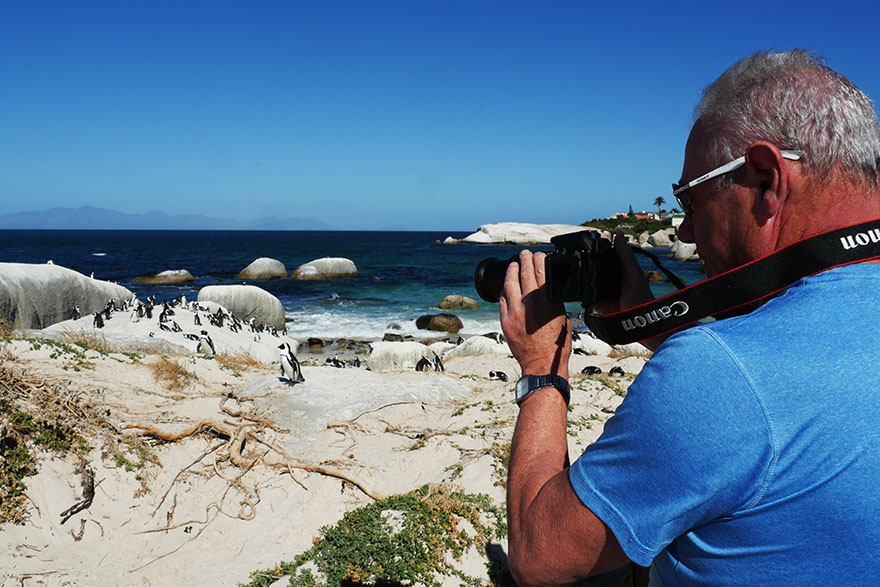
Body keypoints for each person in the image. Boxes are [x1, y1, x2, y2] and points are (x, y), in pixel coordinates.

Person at [499, 50, 880, 586]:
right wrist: (656, 330)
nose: (683, 233)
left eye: (690, 200)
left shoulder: (720, 375)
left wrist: (543, 369)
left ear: (767, 179)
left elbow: (540, 556)